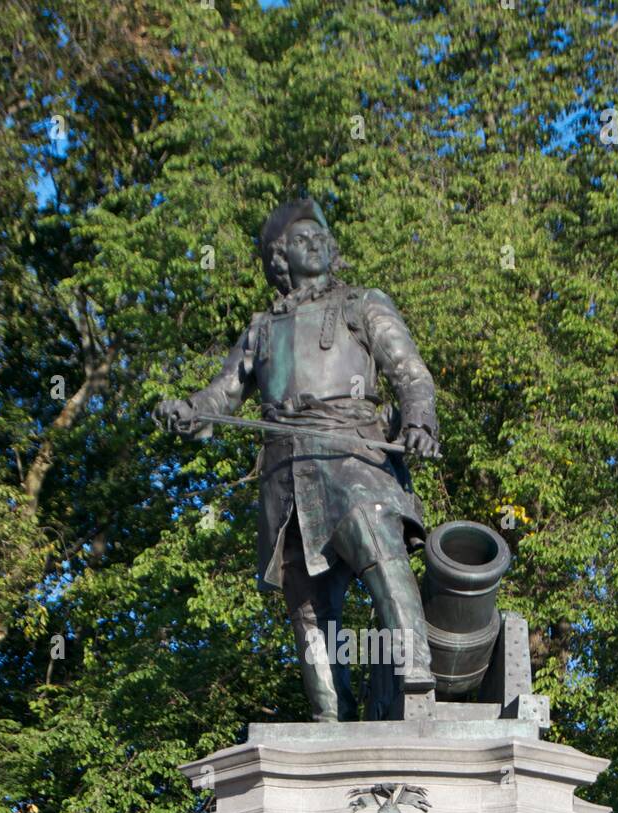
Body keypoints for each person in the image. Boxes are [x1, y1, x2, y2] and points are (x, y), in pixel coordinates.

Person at [155, 198, 441, 721]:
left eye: (320, 237)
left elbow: (409, 372)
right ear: (279, 256)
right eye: (300, 238)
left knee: (383, 561)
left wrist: (419, 421)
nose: (315, 243)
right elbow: (221, 395)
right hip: (286, 476)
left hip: (353, 455)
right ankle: (328, 714)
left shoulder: (362, 304)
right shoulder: (262, 329)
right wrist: (189, 410)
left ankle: (416, 678)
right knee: (309, 607)